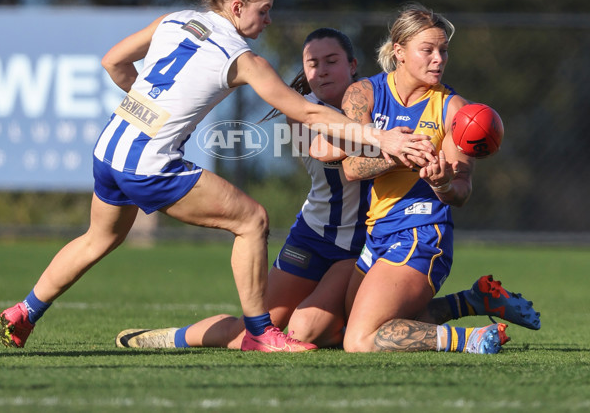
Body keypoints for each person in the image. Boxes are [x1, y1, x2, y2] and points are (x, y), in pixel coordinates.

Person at [0, 0, 436, 352]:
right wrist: (385, 139)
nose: (268, 22)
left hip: (111, 147)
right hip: (149, 163)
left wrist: (151, 107)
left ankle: (24, 311)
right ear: (237, 7)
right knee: (252, 221)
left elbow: (112, 61)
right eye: (263, 12)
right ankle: (261, 334)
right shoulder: (241, 57)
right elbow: (304, 110)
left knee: (100, 238)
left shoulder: (174, 20)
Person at [114, 27, 539, 351]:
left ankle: (463, 307)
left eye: (331, 60)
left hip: (357, 245)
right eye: (312, 63)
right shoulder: (309, 116)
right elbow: (327, 149)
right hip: (313, 234)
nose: (320, 71)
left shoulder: (371, 98)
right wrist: (393, 144)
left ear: (354, 66)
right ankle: (167, 337)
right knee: (259, 329)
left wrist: (422, 156)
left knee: (310, 331)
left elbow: (436, 162)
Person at [340, 2, 530, 354]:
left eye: (443, 50)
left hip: (423, 232)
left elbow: (462, 190)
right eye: (427, 50)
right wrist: (397, 153)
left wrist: (442, 183)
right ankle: (470, 301)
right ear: (398, 51)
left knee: (360, 340)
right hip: (377, 232)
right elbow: (351, 167)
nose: (438, 59)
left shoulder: (454, 110)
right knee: (348, 326)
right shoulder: (364, 93)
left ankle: (470, 339)